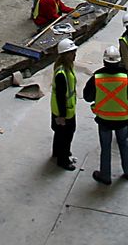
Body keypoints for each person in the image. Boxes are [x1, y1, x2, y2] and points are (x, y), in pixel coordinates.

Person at [82, 45, 128, 185]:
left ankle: (105, 175)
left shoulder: (97, 77)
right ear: (118, 61)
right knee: (123, 143)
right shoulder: (125, 78)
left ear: (104, 62)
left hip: (104, 119)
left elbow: (87, 97)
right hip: (122, 119)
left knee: (105, 147)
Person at [50, 37, 78, 171]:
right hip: (64, 111)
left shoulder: (65, 68)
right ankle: (63, 159)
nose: (74, 54)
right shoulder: (62, 73)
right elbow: (61, 96)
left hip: (63, 110)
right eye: (72, 52)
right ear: (65, 55)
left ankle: (57, 152)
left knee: (60, 134)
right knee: (66, 135)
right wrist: (62, 116)